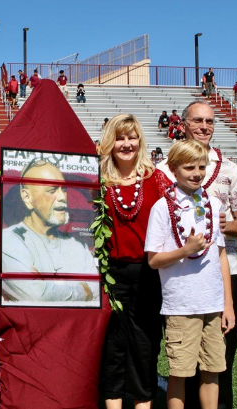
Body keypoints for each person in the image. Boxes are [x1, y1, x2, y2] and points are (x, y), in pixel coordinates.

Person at [157, 101, 237, 409]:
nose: (204, 126)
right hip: (177, 279)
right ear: (184, 124)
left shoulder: (229, 169)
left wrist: (222, 226)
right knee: (183, 363)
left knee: (220, 362)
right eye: (197, 120)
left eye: (209, 121)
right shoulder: (164, 169)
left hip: (223, 273)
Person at [146, 139, 234, 409]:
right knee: (180, 373)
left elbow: (221, 256)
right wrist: (185, 250)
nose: (197, 173)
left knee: (212, 370)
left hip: (213, 304)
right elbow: (153, 260)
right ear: (173, 169)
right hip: (182, 305)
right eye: (189, 167)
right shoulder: (162, 207)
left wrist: (228, 304)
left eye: (201, 167)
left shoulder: (214, 205)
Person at [99, 114, 171, 409]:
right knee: (112, 347)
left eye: (132, 137)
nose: (126, 144)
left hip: (149, 275)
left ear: (140, 140)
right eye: (119, 138)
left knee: (145, 345)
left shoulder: (157, 179)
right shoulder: (98, 181)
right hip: (109, 275)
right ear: (109, 142)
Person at [1, 161, 99, 303]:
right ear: (27, 197)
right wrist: (84, 290)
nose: (62, 197)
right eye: (52, 190)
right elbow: (36, 295)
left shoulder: (78, 246)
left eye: (63, 189)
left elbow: (96, 292)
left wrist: (48, 286)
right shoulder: (10, 241)